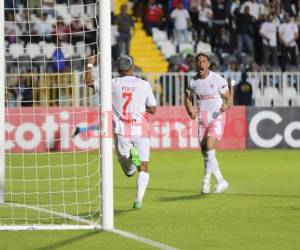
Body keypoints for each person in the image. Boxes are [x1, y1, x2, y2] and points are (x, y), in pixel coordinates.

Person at [85, 53, 157, 209]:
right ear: (133, 67)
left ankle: (131, 157)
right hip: (141, 130)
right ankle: (138, 199)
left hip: (121, 131)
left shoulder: (111, 83)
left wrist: (90, 64)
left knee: (128, 171)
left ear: (118, 69)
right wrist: (138, 107)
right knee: (143, 168)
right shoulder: (144, 84)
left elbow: (88, 82)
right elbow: (153, 109)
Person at [184, 52, 231, 194]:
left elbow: (228, 98)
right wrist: (190, 111)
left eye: (203, 61)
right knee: (206, 153)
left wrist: (225, 106)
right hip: (202, 120)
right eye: (198, 61)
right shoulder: (192, 81)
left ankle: (206, 181)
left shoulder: (218, 80)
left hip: (216, 117)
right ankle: (221, 181)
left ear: (208, 64)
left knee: (210, 145)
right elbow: (187, 99)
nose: (200, 64)